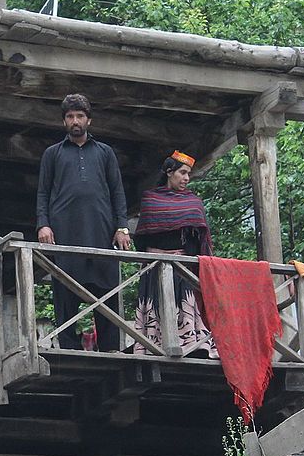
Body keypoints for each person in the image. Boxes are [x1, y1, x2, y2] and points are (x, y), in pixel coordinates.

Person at [36, 93, 131, 351]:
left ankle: (110, 347)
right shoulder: (52, 154)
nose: (75, 121)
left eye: (79, 116)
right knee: (65, 289)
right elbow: (43, 192)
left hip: (100, 231)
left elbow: (117, 191)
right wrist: (43, 224)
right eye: (70, 117)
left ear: (89, 120)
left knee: (106, 288)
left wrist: (122, 227)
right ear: (64, 121)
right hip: (65, 232)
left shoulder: (105, 153)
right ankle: (68, 345)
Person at [133, 150, 217, 356]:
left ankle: (192, 345)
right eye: (182, 172)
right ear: (169, 172)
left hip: (182, 267)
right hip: (154, 265)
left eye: (188, 174)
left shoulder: (193, 202)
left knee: (184, 306)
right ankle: (152, 346)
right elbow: (142, 237)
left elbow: (199, 239)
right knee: (158, 305)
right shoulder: (150, 199)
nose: (186, 178)